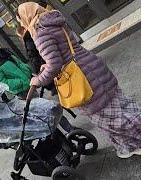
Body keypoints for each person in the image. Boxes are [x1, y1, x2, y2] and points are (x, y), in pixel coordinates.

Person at [17, 2, 141, 158]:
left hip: (82, 79)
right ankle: (127, 146)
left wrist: (38, 80)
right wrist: (47, 65)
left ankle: (136, 142)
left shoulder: (40, 32)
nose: (21, 23)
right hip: (91, 65)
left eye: (21, 19)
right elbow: (64, 51)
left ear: (26, 16)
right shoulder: (54, 19)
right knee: (121, 105)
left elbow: (55, 64)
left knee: (109, 118)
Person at [0, 35, 32, 99]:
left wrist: (27, 71)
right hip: (21, 90)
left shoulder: (6, 52)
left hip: (30, 82)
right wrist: (21, 82)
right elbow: (1, 83)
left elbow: (20, 63)